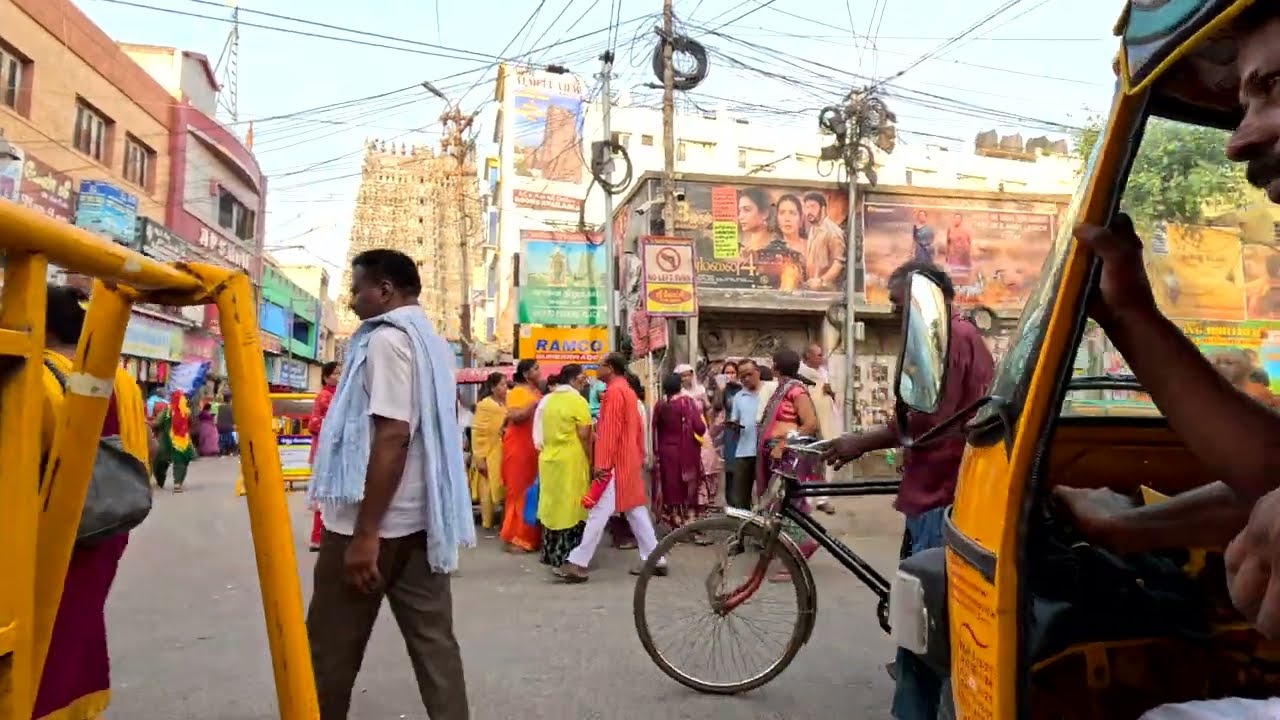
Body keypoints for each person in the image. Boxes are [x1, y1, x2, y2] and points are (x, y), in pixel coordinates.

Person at [822, 261, 994, 720]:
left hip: (942, 490)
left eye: (901, 306)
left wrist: (860, 442)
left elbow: (926, 421)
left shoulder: (947, 339)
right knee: (922, 614)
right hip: (936, 486)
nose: (898, 317)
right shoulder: (964, 337)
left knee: (926, 620)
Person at [307, 248, 471, 720]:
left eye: (356, 290)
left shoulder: (385, 342)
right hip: (424, 520)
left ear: (384, 290)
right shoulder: (433, 343)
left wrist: (364, 534)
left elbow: (394, 435)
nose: (353, 300)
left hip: (373, 524)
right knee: (436, 646)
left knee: (329, 652)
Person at [33, 285, 151, 720]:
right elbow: (144, 449)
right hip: (110, 521)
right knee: (78, 623)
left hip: (47, 530)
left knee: (43, 633)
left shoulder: (36, 375)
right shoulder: (121, 378)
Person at [559, 353, 664, 582]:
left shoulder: (615, 393)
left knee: (598, 513)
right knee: (634, 510)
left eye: (600, 366)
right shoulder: (626, 391)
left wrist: (602, 465)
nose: (596, 371)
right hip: (626, 461)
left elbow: (609, 433)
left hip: (615, 463)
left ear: (610, 368)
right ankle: (656, 558)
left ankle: (578, 562)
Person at [756, 349, 823, 582]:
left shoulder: (795, 390)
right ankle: (790, 550)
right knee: (779, 505)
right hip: (777, 454)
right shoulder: (782, 389)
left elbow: (810, 424)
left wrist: (784, 443)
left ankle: (801, 549)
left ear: (775, 367)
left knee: (787, 504)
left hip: (788, 456)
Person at [537, 364, 593, 572]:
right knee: (572, 506)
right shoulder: (577, 401)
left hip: (548, 458)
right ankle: (569, 557)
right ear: (573, 379)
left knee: (552, 505)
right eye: (582, 378)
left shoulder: (547, 400)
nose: (584, 382)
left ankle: (552, 555)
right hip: (571, 458)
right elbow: (585, 434)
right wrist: (590, 459)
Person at [652, 372, 709, 536]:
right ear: (680, 386)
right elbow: (699, 427)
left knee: (670, 485)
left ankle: (674, 519)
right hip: (685, 451)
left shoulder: (660, 405)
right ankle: (688, 521)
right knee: (687, 485)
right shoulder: (686, 403)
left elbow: (655, 429)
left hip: (665, 451)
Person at [500, 359, 543, 554]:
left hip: (533, 448)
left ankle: (530, 536)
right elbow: (515, 417)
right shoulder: (517, 392)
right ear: (526, 374)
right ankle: (516, 537)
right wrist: (533, 405)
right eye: (535, 369)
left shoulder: (536, 392)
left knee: (533, 492)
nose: (539, 372)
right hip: (518, 448)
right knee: (518, 492)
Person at [799, 343, 839, 514]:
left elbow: (832, 396)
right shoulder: (800, 374)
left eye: (822, 355)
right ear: (807, 356)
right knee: (806, 460)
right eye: (818, 355)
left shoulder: (824, 373)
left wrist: (831, 392)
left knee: (825, 460)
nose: (822, 358)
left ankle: (823, 499)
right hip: (809, 423)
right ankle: (806, 499)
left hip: (826, 423)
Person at [307, 361, 341, 552]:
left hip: (335, 452)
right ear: (326, 377)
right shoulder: (324, 396)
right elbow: (313, 425)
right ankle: (317, 538)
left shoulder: (340, 396)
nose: (339, 376)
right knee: (323, 496)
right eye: (335, 373)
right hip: (323, 453)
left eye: (340, 373)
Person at [469, 372, 507, 531]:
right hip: (488, 450)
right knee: (487, 486)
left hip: (504, 448)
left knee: (503, 485)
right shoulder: (484, 405)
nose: (505, 388)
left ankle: (504, 521)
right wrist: (479, 457)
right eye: (502, 385)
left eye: (506, 384)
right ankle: (487, 521)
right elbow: (478, 432)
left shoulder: (507, 403)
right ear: (493, 388)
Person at [726, 359, 763, 509]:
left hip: (765, 451)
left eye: (749, 374)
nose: (746, 379)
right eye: (743, 376)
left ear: (758, 372)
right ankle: (743, 530)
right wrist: (733, 426)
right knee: (740, 498)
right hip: (744, 451)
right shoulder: (738, 397)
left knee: (766, 496)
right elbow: (735, 419)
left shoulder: (770, 392)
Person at [801, 191, 847, 289]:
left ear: (823, 208)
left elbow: (838, 263)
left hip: (827, 291)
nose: (809, 211)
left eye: (813, 207)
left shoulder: (833, 231)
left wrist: (821, 281)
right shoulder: (812, 229)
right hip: (812, 289)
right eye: (806, 207)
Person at [153, 389, 196, 493]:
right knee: (181, 462)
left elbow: (157, 423)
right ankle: (178, 484)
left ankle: (160, 482)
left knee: (160, 462)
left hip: (166, 441)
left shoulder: (167, 410)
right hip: (182, 442)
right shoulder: (186, 411)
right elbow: (191, 424)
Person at [531, 373, 560, 451]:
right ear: (549, 387)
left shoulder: (560, 400)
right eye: (554, 385)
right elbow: (538, 422)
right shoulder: (545, 400)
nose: (557, 388)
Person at [945, 212, 973, 284]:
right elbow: (948, 243)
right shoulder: (950, 229)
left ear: (961, 220)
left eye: (958, 218)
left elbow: (969, 243)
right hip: (952, 256)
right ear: (953, 219)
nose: (957, 220)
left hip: (962, 257)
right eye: (956, 218)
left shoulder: (965, 230)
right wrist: (947, 255)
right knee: (952, 277)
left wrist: (967, 255)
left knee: (962, 277)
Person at [216, 392, 236, 456]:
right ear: (230, 399)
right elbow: (234, 420)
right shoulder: (232, 408)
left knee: (223, 438)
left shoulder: (220, 407)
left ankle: (222, 448)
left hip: (219, 428)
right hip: (229, 428)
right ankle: (230, 449)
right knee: (232, 435)